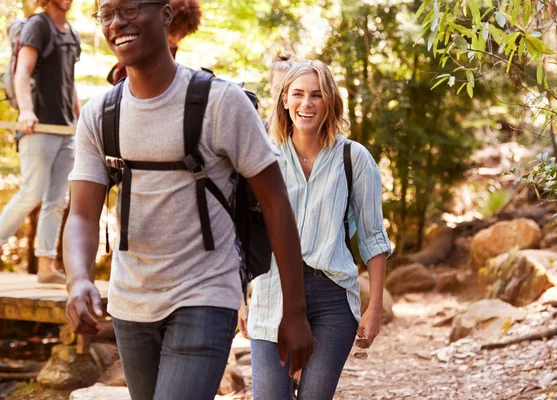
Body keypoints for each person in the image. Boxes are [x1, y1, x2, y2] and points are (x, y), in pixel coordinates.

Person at [63, 1, 313, 399]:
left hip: (206, 291)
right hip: (131, 301)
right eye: (106, 14)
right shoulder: (99, 114)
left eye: (127, 9)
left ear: (165, 14)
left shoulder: (220, 103)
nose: (116, 24)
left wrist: (295, 312)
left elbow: (276, 202)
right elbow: (81, 213)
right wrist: (78, 280)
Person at [243, 60, 392, 400]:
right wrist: (239, 298)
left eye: (316, 95)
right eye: (297, 94)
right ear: (284, 100)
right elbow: (243, 233)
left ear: (330, 103)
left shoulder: (354, 159)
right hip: (271, 293)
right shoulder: (263, 158)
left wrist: (375, 307)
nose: (306, 103)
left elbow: (373, 237)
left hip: (332, 297)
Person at [0, 0, 80, 284]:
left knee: (57, 200)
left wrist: (79, 116)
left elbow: (69, 81)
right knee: (31, 194)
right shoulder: (38, 25)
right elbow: (22, 71)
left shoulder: (71, 31)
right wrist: (26, 110)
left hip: (65, 131)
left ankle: (46, 265)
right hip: (38, 127)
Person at [106, 0, 201, 84]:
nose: (178, 38)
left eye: (183, 34)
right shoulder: (143, 44)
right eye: (177, 31)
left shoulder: (172, 48)